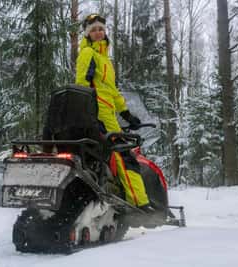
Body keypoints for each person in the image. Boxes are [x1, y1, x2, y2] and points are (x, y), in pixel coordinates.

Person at [75, 13, 152, 211]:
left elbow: (112, 91)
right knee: (124, 155)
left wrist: (126, 114)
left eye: (101, 29)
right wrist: (88, 113)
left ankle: (118, 195)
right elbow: (82, 85)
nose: (98, 32)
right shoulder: (87, 54)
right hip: (98, 114)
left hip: (108, 113)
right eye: (93, 30)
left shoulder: (105, 59)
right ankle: (140, 204)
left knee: (118, 154)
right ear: (87, 34)